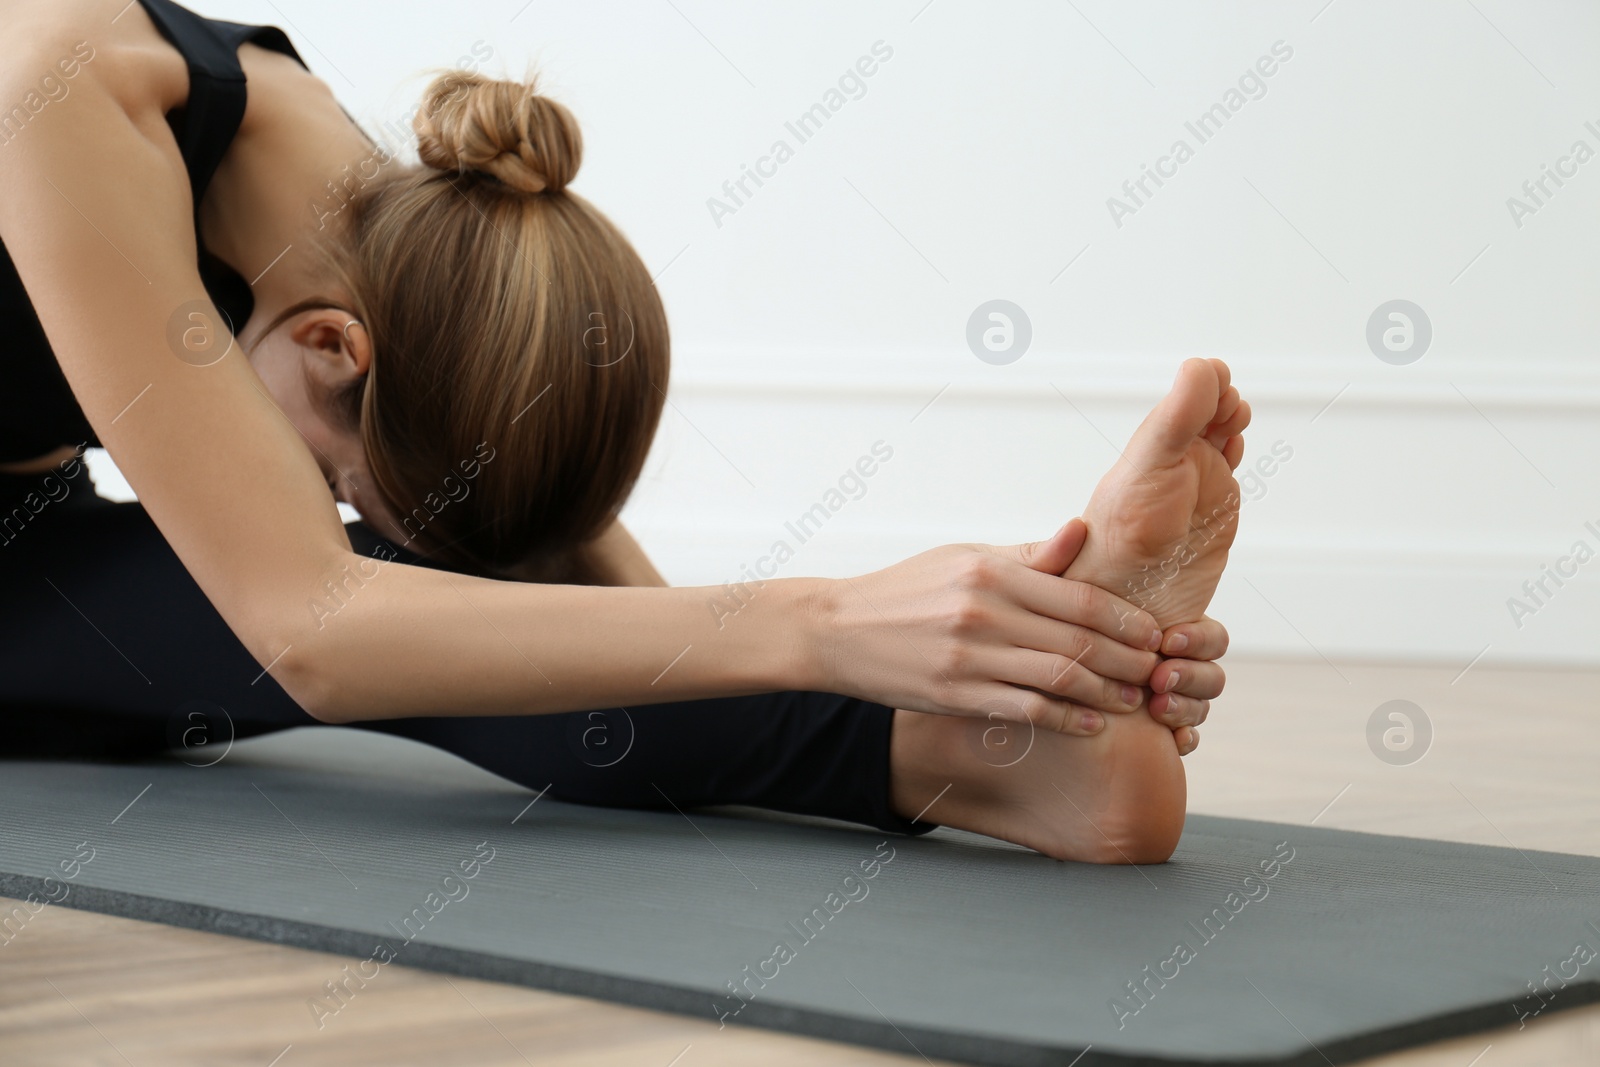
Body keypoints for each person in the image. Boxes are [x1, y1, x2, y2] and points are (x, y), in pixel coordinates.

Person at [0, 0, 1247, 863]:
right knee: (355, 609)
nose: (306, 487)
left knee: (457, 620)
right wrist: (825, 617)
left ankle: (1002, 756)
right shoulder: (57, 92)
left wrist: (1010, 670)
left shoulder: (407, 239)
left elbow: (544, 584)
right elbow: (314, 630)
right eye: (334, 475)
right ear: (335, 352)